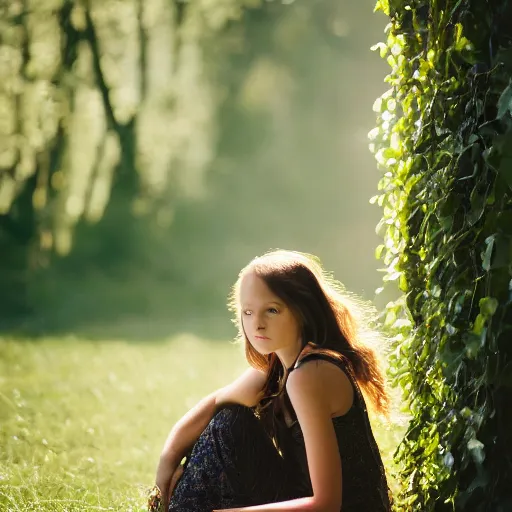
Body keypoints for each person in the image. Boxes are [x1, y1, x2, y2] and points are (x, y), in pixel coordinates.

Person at [151, 250, 392, 512]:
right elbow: (217, 402)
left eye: (272, 310)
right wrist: (166, 466)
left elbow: (327, 504)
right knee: (227, 421)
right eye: (248, 312)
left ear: (303, 311)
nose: (257, 324)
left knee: (226, 425)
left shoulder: (310, 375)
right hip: (304, 499)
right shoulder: (280, 368)